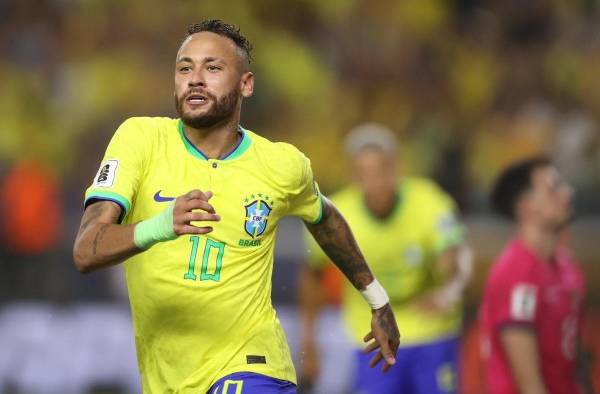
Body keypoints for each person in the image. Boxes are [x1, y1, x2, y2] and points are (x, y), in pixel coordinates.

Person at [72, 20, 400, 394]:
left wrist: (377, 301)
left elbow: (324, 218)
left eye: (212, 68)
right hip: (168, 378)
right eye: (185, 67)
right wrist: (161, 225)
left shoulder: (282, 165)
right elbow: (86, 250)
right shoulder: (140, 140)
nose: (195, 78)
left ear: (246, 84)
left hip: (253, 364)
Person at [299, 124, 471, 394]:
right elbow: (312, 273)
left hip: (431, 333)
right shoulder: (337, 215)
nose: (374, 182)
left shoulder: (429, 202)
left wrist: (448, 288)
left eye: (380, 171)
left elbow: (456, 259)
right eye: (364, 173)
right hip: (371, 339)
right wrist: (309, 341)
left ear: (395, 169)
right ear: (353, 175)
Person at [480, 157, 592, 394]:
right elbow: (529, 383)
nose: (568, 193)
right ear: (526, 206)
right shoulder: (516, 275)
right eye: (554, 188)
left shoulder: (568, 268)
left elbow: (577, 360)